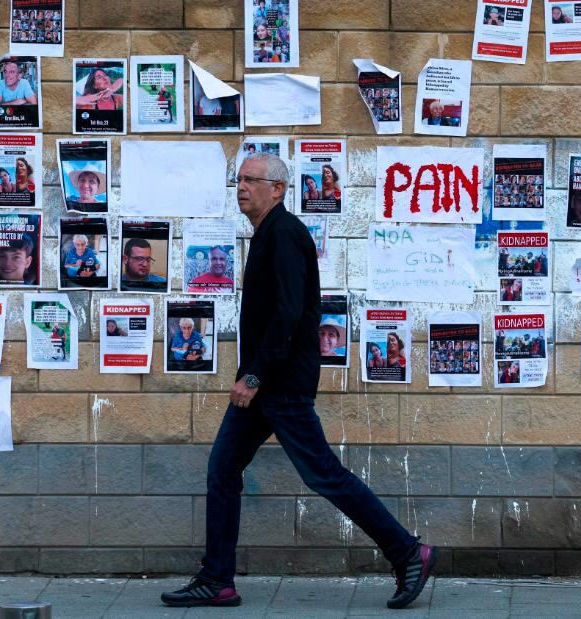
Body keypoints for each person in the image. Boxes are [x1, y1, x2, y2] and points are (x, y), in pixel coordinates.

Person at [162, 153, 437, 610]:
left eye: (252, 180)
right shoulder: (269, 234)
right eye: (240, 179)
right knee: (223, 469)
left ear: (279, 189)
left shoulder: (285, 235)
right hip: (266, 384)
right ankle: (217, 580)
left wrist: (253, 375)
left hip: (279, 384)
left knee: (323, 474)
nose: (242, 186)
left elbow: (289, 315)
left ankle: (408, 552)